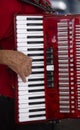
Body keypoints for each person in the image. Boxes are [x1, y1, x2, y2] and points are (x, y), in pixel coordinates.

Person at [0, 0, 54, 130]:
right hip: (7, 104)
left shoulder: (44, 4)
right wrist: (4, 56)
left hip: (36, 102)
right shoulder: (6, 5)